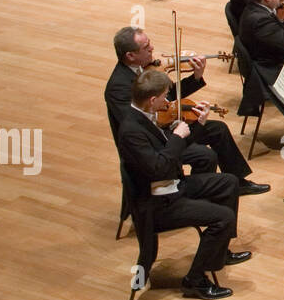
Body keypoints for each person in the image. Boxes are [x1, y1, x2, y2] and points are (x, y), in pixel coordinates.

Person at [117, 69, 250, 300]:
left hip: (172, 185)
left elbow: (174, 152)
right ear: (152, 100)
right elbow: (159, 167)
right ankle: (194, 281)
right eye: (164, 96)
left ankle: (220, 250)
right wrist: (177, 137)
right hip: (159, 204)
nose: (168, 101)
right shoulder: (131, 131)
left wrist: (198, 124)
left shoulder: (147, 116)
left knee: (228, 183)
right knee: (223, 217)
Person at [105, 27, 267, 194]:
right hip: (154, 144)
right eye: (146, 47)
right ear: (130, 55)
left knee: (218, 129)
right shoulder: (118, 87)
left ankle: (238, 181)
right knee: (205, 155)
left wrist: (195, 77)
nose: (152, 49)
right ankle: (197, 194)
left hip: (165, 130)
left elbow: (166, 95)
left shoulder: (143, 67)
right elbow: (136, 122)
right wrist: (175, 122)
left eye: (150, 44)